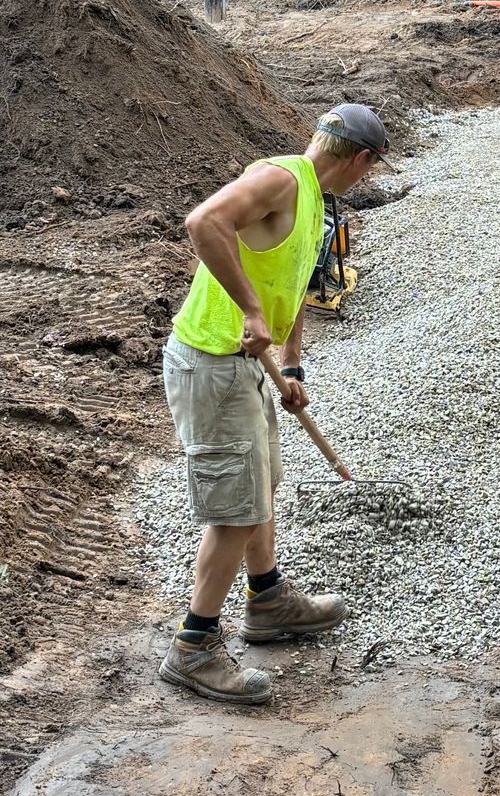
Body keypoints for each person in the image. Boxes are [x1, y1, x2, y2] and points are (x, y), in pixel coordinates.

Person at [161, 102, 388, 705]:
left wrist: (290, 366)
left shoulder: (316, 198)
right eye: (371, 168)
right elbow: (203, 221)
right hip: (212, 361)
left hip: (249, 369)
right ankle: (193, 647)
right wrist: (252, 312)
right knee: (234, 511)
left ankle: (266, 601)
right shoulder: (283, 178)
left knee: (259, 490)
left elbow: (291, 285)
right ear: (361, 159)